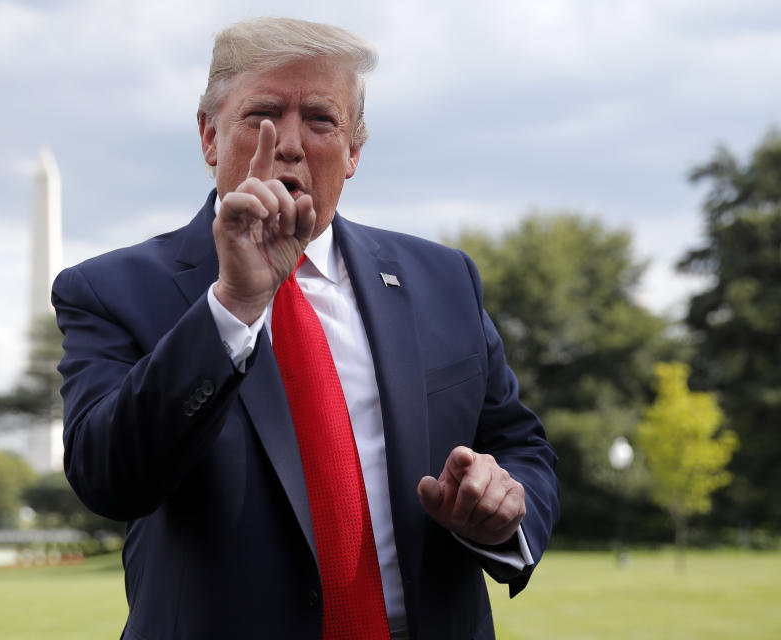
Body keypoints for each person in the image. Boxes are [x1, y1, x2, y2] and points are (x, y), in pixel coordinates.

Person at [52, 17, 558, 640]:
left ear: (353, 153)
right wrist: (234, 305)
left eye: (320, 119)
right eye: (263, 114)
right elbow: (109, 477)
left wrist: (501, 513)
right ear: (210, 137)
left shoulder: (444, 280)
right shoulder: (113, 291)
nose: (289, 142)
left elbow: (520, 446)